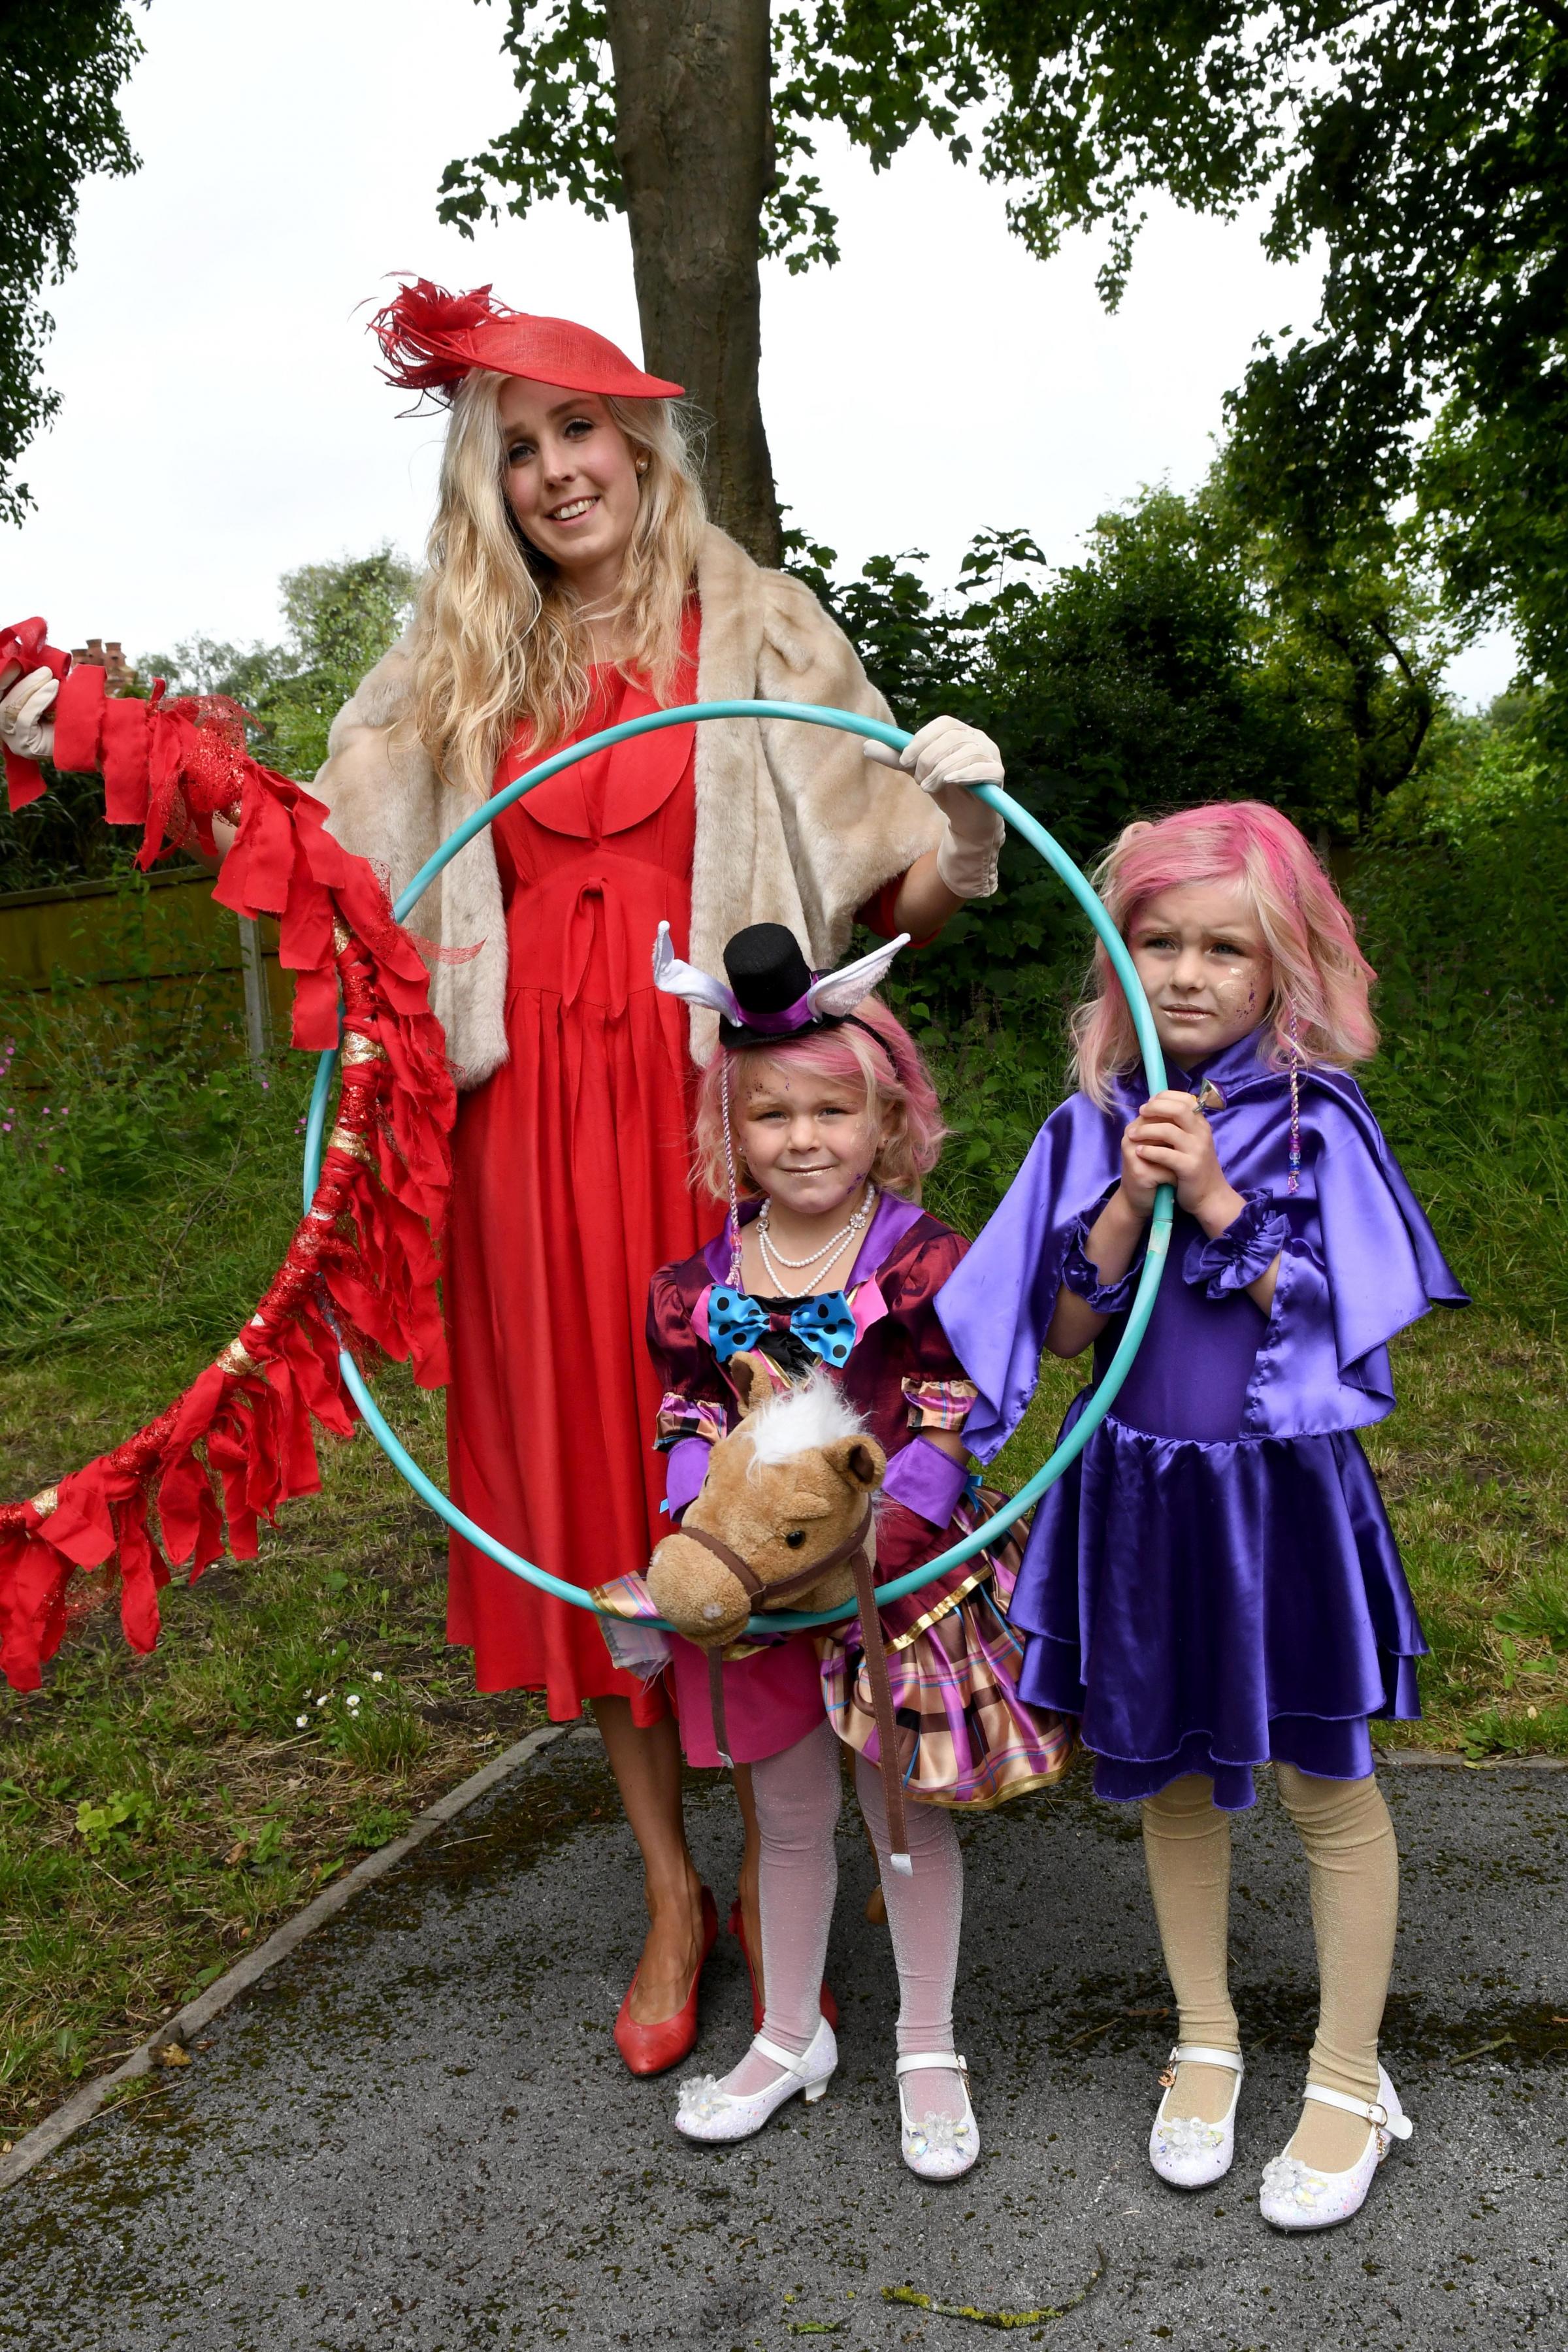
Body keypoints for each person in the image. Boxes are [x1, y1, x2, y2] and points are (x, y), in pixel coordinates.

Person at [0, 278, 1011, 2075]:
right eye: (518, 449)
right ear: (490, 487)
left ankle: (799, 1865)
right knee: (581, 1494)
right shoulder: (453, 666)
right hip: (524, 1136)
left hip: (720, 1121)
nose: (557, 473)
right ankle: (671, 1890)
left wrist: (971, 822)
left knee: (755, 1453)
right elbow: (319, 858)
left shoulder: (761, 626)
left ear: (640, 442)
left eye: (578, 431)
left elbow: (898, 884)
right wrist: (103, 744)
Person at [935, 802, 1467, 2230]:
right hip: (1138, 1501)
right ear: (1121, 961)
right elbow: (1052, 1331)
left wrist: (1223, 1202)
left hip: (1277, 1505)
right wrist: (1118, 1206)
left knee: (1322, 1782)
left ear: (1281, 965)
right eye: (1158, 942)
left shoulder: (1314, 1124)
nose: (1185, 974)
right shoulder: (1089, 1123)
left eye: (1222, 948)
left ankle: (1349, 2075)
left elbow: (1346, 1316)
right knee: (1170, 1777)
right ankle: (1208, 2038)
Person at [615, 920, 1071, 2176]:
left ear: (888, 1122)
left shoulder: (921, 1259)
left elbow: (947, 1404)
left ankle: (928, 2042)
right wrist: (710, 1531)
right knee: (790, 1810)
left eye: (832, 1111)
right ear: (730, 1131)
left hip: (893, 1585)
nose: (802, 1138)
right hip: (760, 1593)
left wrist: (901, 1531)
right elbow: (690, 1408)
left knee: (902, 1817)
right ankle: (785, 2033)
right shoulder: (704, 1277)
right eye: (769, 1115)